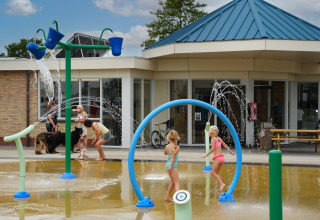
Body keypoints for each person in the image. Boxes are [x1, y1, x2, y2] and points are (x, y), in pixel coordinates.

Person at [201, 125, 234, 194]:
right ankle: (220, 187)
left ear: (212, 133)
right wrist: (230, 151)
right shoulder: (219, 138)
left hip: (218, 158)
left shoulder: (213, 139)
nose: (208, 132)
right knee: (217, 172)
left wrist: (206, 155)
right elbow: (225, 145)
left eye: (209, 131)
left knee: (213, 172)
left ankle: (222, 184)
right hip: (222, 158)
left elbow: (213, 149)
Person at [164, 130, 180, 202]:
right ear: (176, 138)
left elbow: (165, 154)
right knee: (177, 183)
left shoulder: (167, 146)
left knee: (173, 182)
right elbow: (173, 157)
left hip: (168, 165)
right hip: (172, 166)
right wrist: (171, 167)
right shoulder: (177, 147)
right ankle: (179, 198)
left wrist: (169, 167)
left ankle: (167, 196)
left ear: (168, 138)